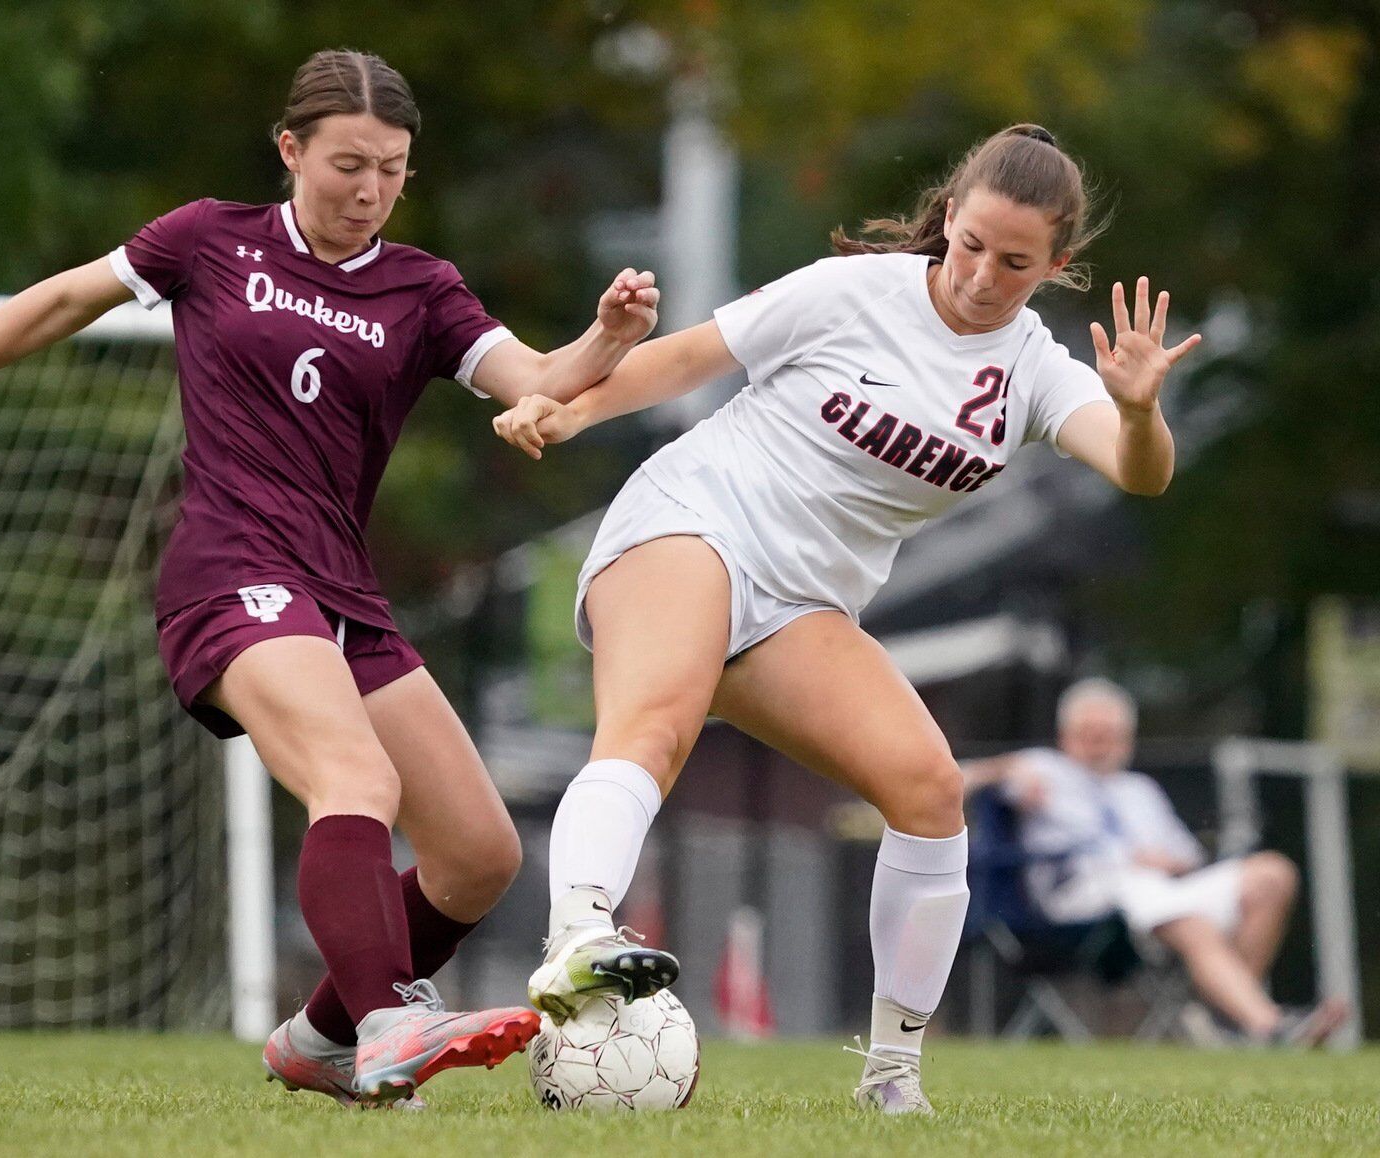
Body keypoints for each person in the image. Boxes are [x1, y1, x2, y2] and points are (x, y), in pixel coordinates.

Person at [0, 49, 661, 1107]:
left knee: (478, 853)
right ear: (289, 149)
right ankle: (391, 1020)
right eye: (347, 163)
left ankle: (320, 1040)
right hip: (230, 573)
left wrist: (604, 339)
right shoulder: (211, 239)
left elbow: (533, 379)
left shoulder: (421, 289)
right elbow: (66, 299)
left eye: (391, 169)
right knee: (356, 782)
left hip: (340, 592)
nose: (368, 190)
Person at [492, 124, 1200, 1115]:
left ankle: (890, 1079)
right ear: (947, 217)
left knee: (928, 789)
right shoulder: (853, 291)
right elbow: (688, 358)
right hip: (691, 521)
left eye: (1016, 262)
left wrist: (1134, 410)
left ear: (1056, 267)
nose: (983, 276)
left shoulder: (1032, 369)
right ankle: (577, 940)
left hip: (799, 605)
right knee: (653, 728)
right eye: (971, 245)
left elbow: (1139, 471)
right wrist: (566, 409)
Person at [965, 677, 1350, 1046]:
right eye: (1088, 732)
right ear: (1065, 735)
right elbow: (957, 777)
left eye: (1107, 733)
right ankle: (1269, 1026)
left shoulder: (1140, 790)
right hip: (1078, 898)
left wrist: (1167, 862)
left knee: (1272, 874)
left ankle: (1224, 1016)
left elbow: (1189, 858)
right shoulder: (1042, 766)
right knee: (1179, 913)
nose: (1098, 743)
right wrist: (1005, 769)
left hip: (1157, 890)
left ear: (1125, 739)